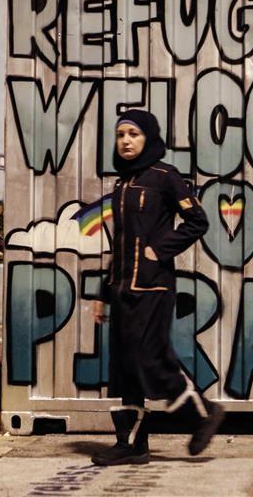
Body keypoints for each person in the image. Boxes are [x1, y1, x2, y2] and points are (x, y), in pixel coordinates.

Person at [91, 110, 217, 467]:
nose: (126, 141)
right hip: (122, 290)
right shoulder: (122, 184)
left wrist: (157, 250)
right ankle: (131, 443)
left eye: (133, 134)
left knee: (149, 360)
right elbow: (119, 244)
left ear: (149, 138)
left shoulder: (165, 177)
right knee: (123, 368)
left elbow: (198, 221)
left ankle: (202, 414)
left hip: (154, 288)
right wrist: (104, 293)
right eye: (120, 135)